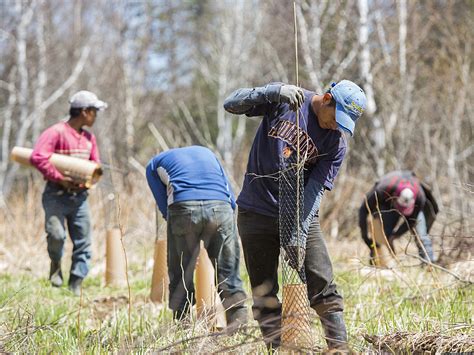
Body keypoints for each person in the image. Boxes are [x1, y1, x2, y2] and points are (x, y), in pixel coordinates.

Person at [223, 80, 367, 350]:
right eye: (337, 118)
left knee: (322, 280)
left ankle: (339, 347)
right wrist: (271, 92)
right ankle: (274, 348)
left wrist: (297, 234)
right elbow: (230, 103)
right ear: (326, 99)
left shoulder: (336, 145)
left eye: (344, 124)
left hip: (301, 214)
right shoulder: (286, 103)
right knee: (264, 291)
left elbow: (313, 193)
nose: (337, 127)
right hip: (256, 211)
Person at [145, 146, 248, 331]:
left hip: (184, 206)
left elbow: (164, 204)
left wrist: (176, 223)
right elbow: (231, 198)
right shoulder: (209, 153)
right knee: (228, 272)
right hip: (220, 207)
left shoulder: (153, 165)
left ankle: (183, 327)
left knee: (181, 273)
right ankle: (238, 328)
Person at [30, 90, 107, 295]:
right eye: (94, 111)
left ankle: (76, 284)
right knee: (56, 235)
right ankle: (55, 272)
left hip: (80, 198)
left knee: (83, 241)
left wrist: (91, 178)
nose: (95, 116)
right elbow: (38, 157)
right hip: (56, 195)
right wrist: (59, 178)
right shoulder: (56, 132)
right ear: (84, 112)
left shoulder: (89, 138)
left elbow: (94, 164)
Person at [359, 170, 438, 266]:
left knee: (422, 235)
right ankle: (379, 262)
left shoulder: (420, 197)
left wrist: (396, 235)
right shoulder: (382, 189)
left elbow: (411, 221)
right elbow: (363, 210)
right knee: (383, 233)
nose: (401, 212)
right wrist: (365, 236)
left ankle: (428, 265)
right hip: (387, 204)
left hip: (415, 207)